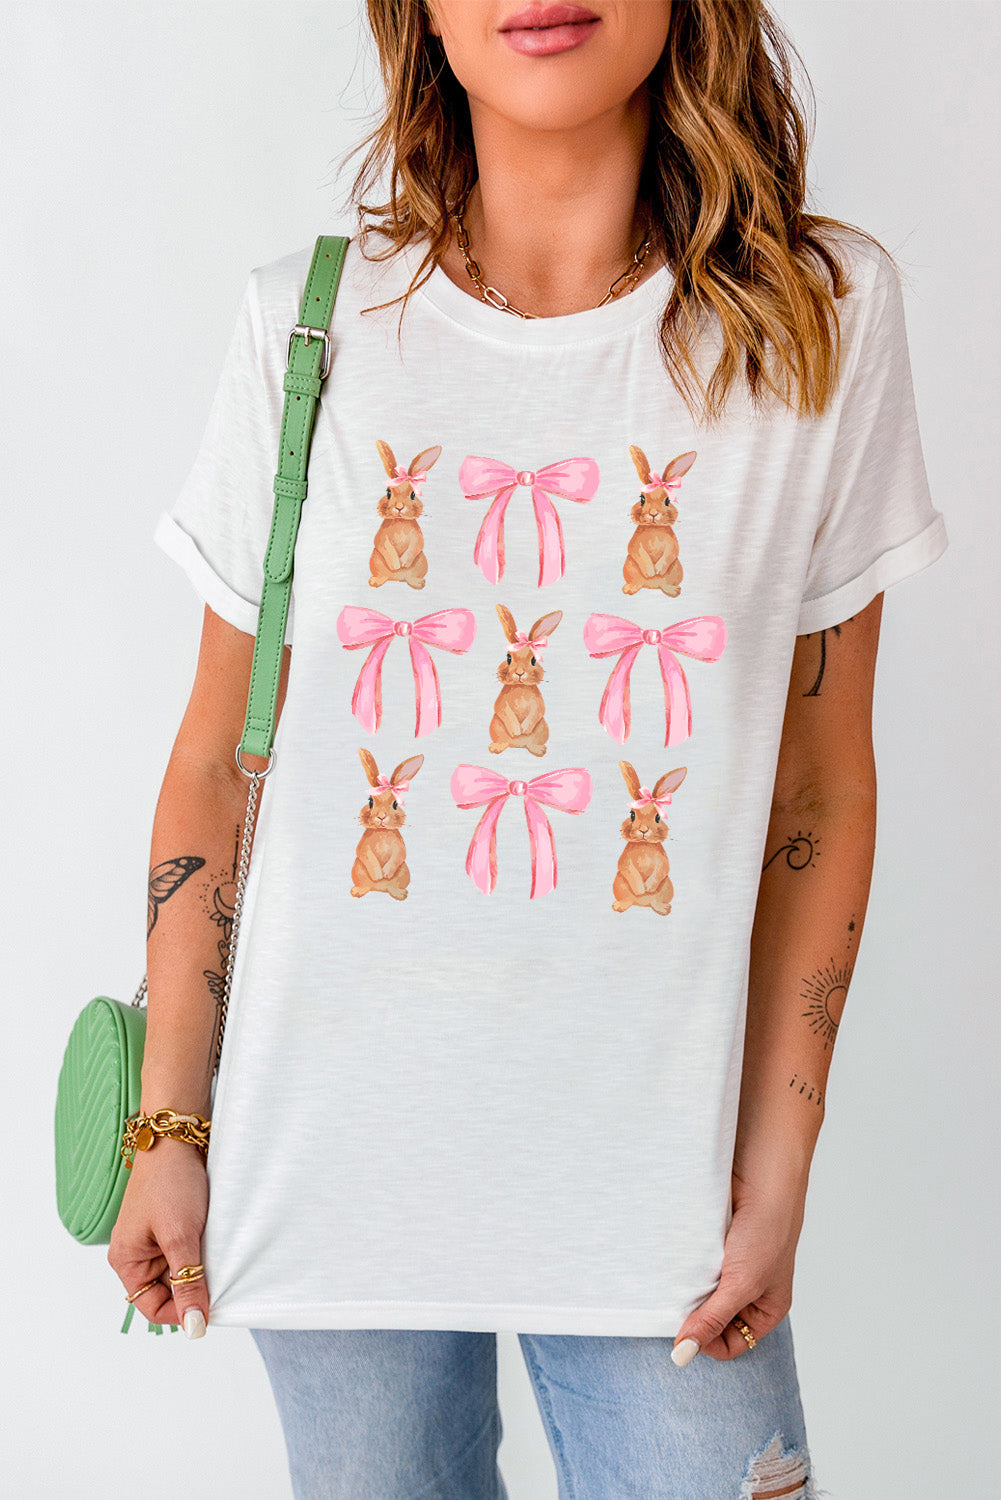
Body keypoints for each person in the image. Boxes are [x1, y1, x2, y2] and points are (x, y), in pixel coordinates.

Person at [107, 1, 949, 1495]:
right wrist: (165, 1125)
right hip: (327, 1179)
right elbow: (218, 763)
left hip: (661, 1203)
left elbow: (819, 785)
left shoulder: (814, 320)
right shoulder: (308, 324)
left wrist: (776, 1171)